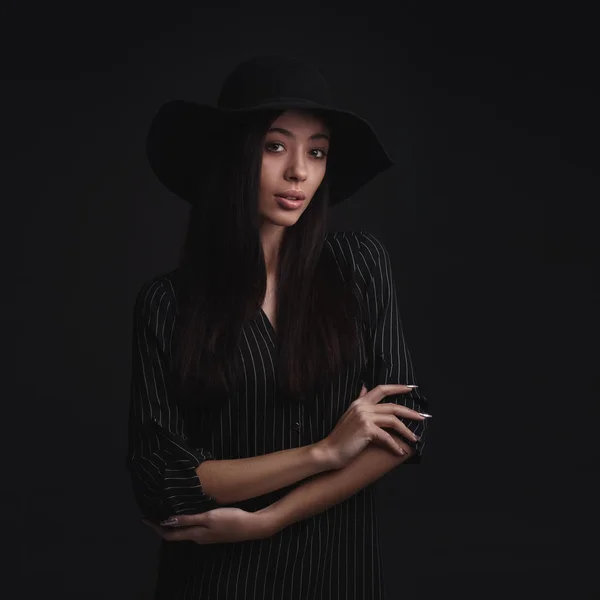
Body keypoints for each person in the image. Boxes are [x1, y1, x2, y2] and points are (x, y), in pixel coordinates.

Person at [126, 54, 431, 600]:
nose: (299, 172)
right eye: (276, 146)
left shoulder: (358, 265)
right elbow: (160, 477)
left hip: (337, 575)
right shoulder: (167, 303)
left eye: (317, 151)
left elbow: (407, 430)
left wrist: (272, 519)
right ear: (235, 154)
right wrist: (323, 453)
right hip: (213, 580)